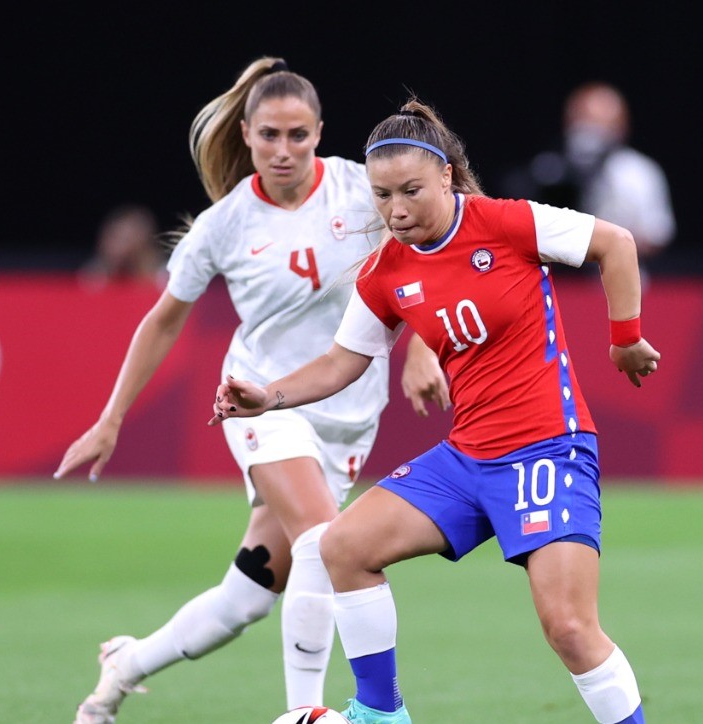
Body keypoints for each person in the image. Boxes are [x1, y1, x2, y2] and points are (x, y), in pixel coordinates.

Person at [211, 98, 660, 724]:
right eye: (382, 195)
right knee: (344, 546)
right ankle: (380, 714)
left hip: (547, 450)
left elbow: (616, 243)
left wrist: (625, 337)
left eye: (411, 191)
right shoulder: (386, 272)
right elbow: (343, 362)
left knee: (569, 627)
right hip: (468, 458)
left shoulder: (505, 224)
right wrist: (270, 395)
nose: (396, 211)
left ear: (447, 175)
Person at [54, 59, 449, 723]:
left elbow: (433, 255)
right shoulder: (225, 225)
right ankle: (305, 714)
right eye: (269, 135)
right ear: (246, 133)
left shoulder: (363, 192)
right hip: (259, 401)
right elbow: (163, 321)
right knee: (327, 544)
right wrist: (110, 418)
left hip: (348, 414)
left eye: (298, 134)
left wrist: (423, 348)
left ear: (320, 132)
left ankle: (126, 665)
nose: (284, 150)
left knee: (247, 598)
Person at [505, 82, 674, 281]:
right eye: (582, 119)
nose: (588, 130)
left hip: (617, 280)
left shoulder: (638, 172)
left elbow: (657, 234)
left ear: (621, 125)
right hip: (556, 281)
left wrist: (601, 242)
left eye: (599, 121)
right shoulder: (547, 169)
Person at [78, 204, 166, 288]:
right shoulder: (94, 276)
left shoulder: (165, 278)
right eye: (112, 237)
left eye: (124, 239)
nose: (114, 246)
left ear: (143, 241)